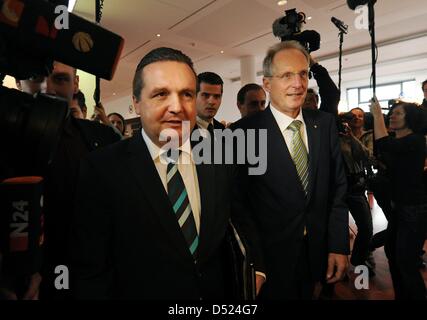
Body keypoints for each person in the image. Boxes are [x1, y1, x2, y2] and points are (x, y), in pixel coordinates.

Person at [70, 47, 265, 299]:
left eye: (186, 94)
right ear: (136, 103)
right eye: (161, 94)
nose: (177, 107)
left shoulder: (221, 155)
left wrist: (257, 267)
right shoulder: (102, 169)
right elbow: (91, 266)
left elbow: (240, 216)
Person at [232, 41, 349, 299]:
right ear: (267, 84)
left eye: (303, 74)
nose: (298, 84)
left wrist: (339, 245)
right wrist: (256, 263)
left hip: (319, 253)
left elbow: (338, 189)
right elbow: (238, 205)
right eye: (286, 75)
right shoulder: (243, 133)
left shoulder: (325, 123)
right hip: (269, 260)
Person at [370, 99, 427, 300]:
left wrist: (377, 115)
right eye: (391, 113)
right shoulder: (400, 142)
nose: (392, 116)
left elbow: (385, 144)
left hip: (414, 209)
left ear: (411, 118)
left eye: (398, 113)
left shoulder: (417, 140)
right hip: (399, 207)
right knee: (393, 254)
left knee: (406, 262)